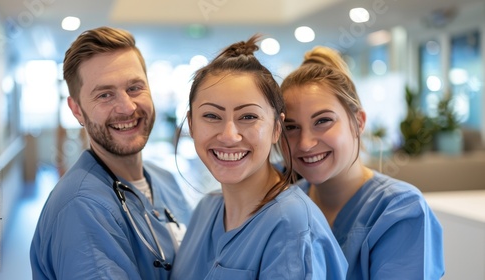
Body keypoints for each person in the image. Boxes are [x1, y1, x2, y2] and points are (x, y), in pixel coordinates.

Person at [170, 35, 348, 280]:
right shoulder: (206, 210)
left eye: (248, 117)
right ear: (191, 124)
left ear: (277, 128)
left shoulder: (291, 226)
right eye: (211, 116)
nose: (229, 136)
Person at [30, 26, 191, 279]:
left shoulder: (165, 180)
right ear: (77, 110)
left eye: (135, 88)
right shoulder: (81, 208)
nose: (127, 107)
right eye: (105, 95)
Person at [280, 46, 445, 279]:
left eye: (323, 121)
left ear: (358, 122)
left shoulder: (399, 209)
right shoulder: (287, 207)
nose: (305, 143)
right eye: (291, 127)